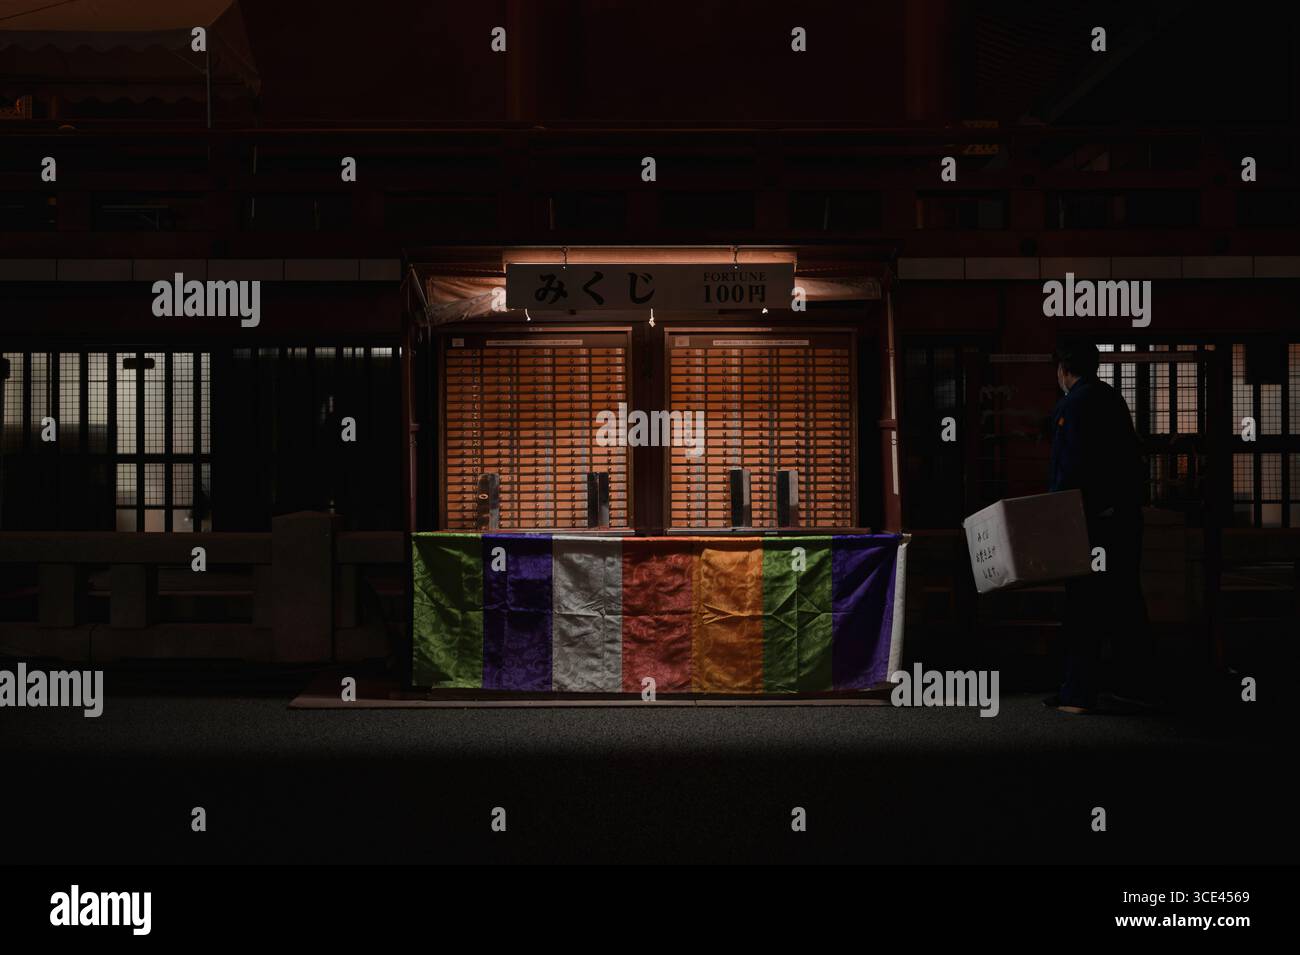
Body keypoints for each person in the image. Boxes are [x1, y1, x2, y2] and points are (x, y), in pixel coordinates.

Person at [1044, 341, 1154, 714]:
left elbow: (1069, 467)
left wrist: (1056, 514)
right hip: (1123, 518)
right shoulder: (1113, 398)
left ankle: (1078, 692)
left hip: (1091, 523)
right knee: (1124, 599)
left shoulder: (1073, 405)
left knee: (1083, 604)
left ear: (1064, 369)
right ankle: (1136, 685)